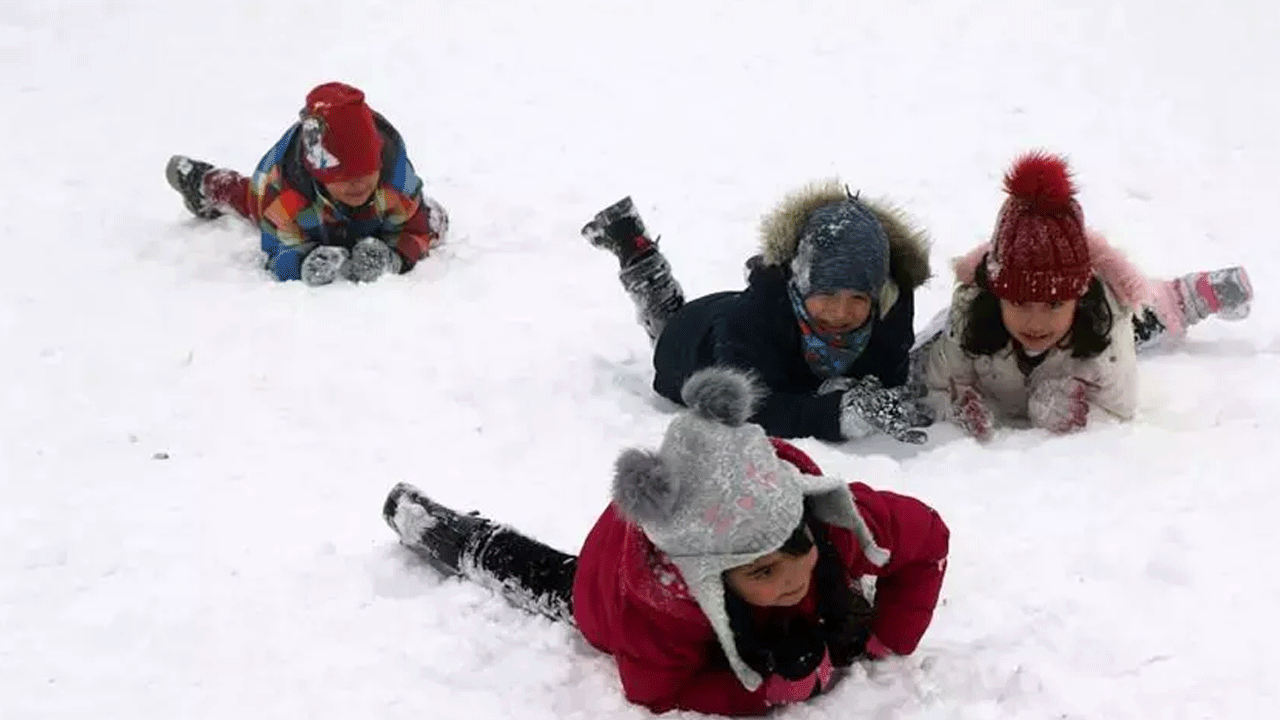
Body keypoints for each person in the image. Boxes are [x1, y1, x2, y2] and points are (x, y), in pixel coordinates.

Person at [383, 367, 950, 716]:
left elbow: (928, 540)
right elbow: (655, 693)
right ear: (711, 579)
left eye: (796, 548)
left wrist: (888, 638)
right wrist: (763, 692)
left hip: (693, 525)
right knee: (549, 578)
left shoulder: (829, 519)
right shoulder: (660, 608)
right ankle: (444, 532)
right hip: (608, 584)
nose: (791, 577)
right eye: (760, 571)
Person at [921, 151, 1253, 440]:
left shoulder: (1104, 328)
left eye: (1054, 303)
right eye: (1019, 302)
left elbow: (1120, 408)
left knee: (1141, 318)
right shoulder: (969, 320)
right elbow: (934, 387)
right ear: (998, 295)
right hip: (1005, 334)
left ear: (1078, 295)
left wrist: (1075, 413)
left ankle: (1182, 298)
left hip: (1085, 333)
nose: (1036, 322)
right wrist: (960, 406)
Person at [581, 182, 935, 443]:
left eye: (858, 297)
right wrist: (833, 415)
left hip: (741, 318)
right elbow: (748, 408)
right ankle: (637, 253)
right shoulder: (751, 321)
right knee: (666, 319)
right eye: (826, 294)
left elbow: (890, 370)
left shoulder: (889, 309)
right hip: (692, 343)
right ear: (800, 283)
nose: (841, 312)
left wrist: (871, 392)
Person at [165, 81, 448, 285]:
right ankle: (204, 184)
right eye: (343, 179)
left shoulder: (395, 184)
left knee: (431, 219)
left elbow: (418, 230)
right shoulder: (285, 197)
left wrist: (394, 258)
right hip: (301, 210)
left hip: (374, 215)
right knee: (249, 199)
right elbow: (276, 250)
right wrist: (301, 263)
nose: (357, 185)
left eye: (366, 174)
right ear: (320, 175)